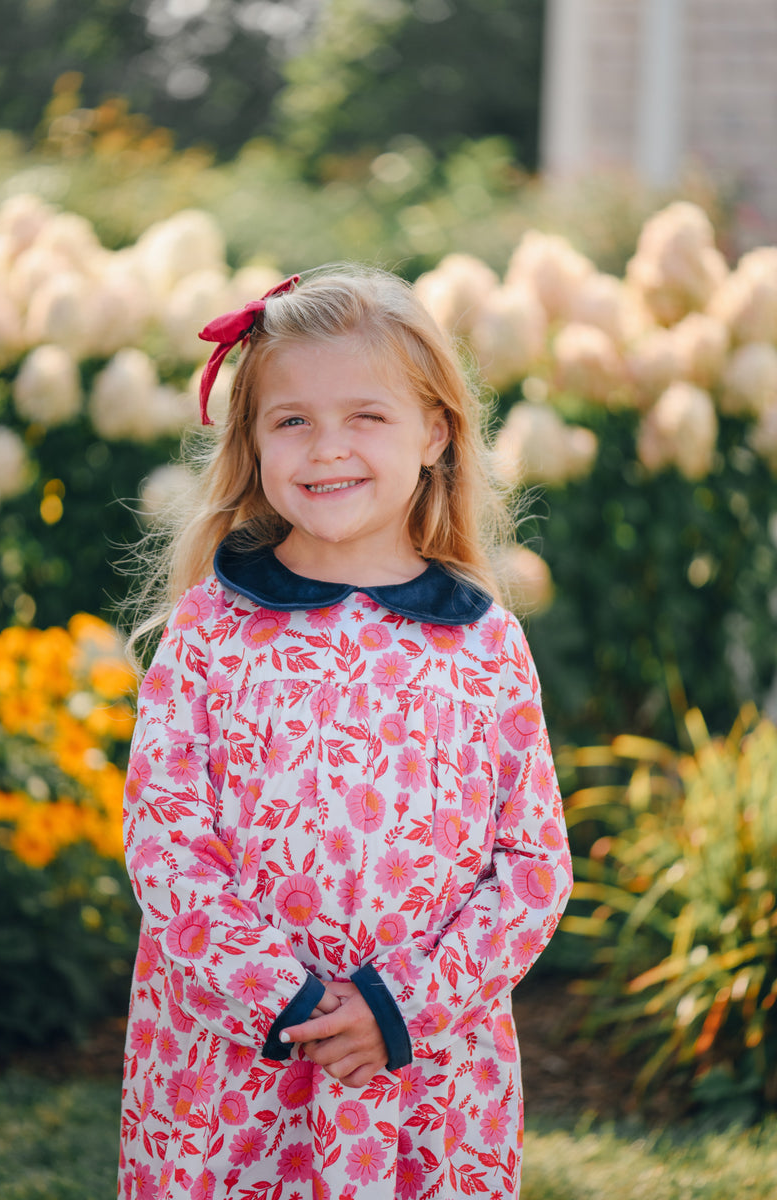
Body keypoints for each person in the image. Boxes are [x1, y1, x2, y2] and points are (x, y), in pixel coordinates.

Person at [118, 267, 572, 1200]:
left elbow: (532, 867)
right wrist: (287, 1001)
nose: (328, 449)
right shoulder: (212, 630)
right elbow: (165, 842)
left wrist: (400, 1010)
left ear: (435, 432)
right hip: (236, 1061)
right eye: (292, 420)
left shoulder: (482, 642)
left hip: (422, 1071)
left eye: (366, 416)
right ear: (250, 438)